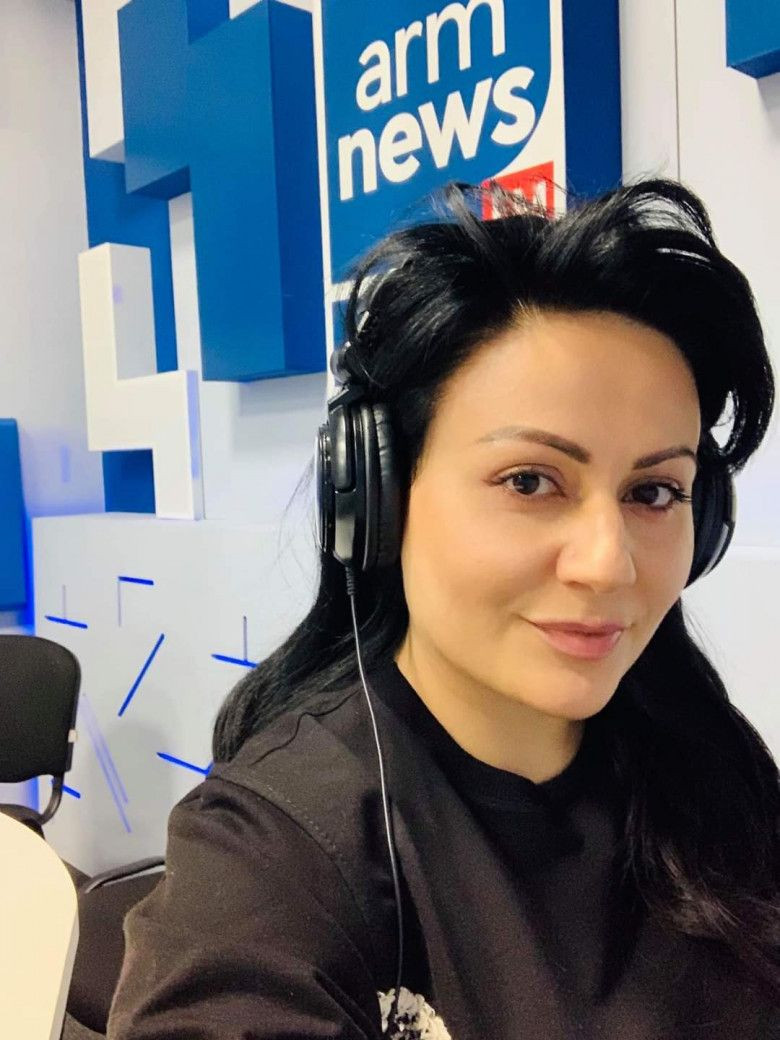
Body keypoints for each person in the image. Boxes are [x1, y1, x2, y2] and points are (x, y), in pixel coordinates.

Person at [106, 179, 780, 1039]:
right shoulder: (275, 851)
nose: (608, 564)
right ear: (380, 501)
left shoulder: (712, 765)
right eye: (530, 481)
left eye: (654, 491)